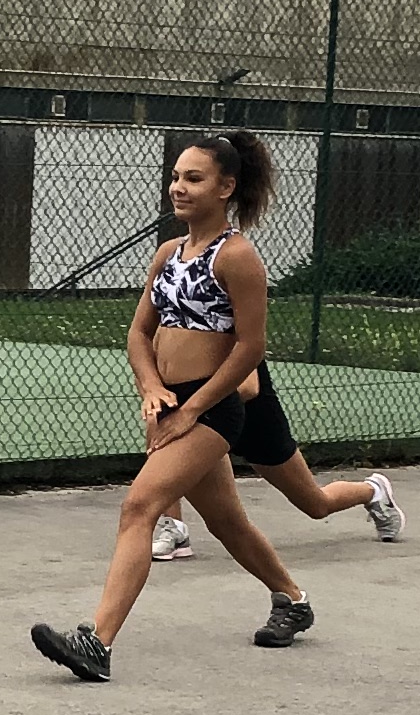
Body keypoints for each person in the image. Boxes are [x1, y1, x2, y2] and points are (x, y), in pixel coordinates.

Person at [30, 131, 336, 680]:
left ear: (226, 188)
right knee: (227, 522)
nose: (179, 187)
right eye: (175, 177)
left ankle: (97, 643)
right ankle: (292, 599)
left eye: (193, 178)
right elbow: (138, 333)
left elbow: (250, 348)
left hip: (211, 409)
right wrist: (151, 388)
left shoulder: (237, 257)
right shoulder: (168, 253)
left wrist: (194, 409)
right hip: (171, 405)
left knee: (139, 506)